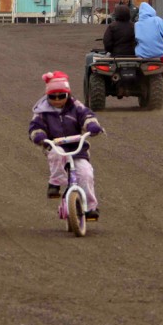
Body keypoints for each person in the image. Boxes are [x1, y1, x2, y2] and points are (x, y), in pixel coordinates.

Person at [28, 71, 104, 220]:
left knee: (86, 174)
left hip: (77, 148)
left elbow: (87, 116)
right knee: (57, 154)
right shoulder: (42, 112)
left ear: (68, 95)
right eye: (52, 96)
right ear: (47, 96)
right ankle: (55, 183)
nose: (57, 100)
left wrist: (92, 126)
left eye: (61, 96)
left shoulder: (76, 107)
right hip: (56, 146)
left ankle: (90, 208)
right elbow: (35, 127)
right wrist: (40, 136)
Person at [134, 2, 163, 83]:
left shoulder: (137, 24)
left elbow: (135, 39)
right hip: (159, 53)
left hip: (142, 54)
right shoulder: (157, 20)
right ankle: (162, 83)